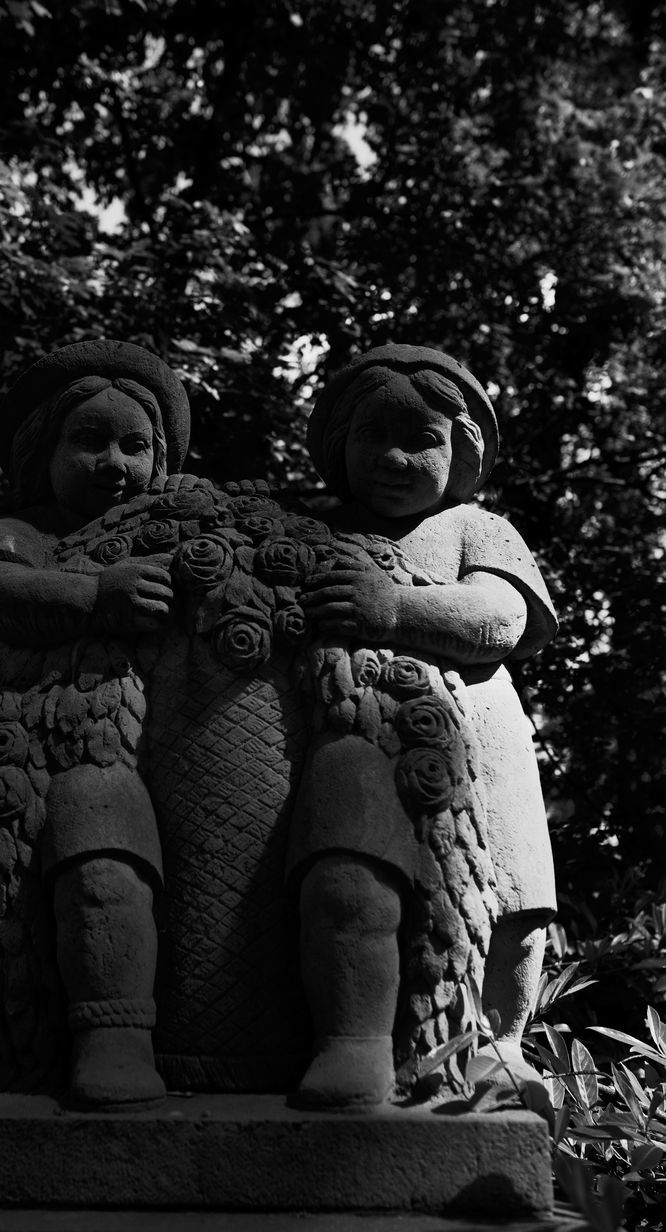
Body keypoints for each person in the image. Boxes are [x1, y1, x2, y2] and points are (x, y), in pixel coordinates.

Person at [0, 340, 190, 1108]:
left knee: (106, 866)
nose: (114, 463)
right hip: (13, 752)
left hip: (124, 754)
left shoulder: (169, 537)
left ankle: (116, 1034)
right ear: (45, 450)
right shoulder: (14, 531)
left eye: (135, 446)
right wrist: (96, 595)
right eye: (90, 441)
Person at [293, 343, 557, 1108]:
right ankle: (353, 1035)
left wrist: (396, 608)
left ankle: (500, 1044)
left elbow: (501, 616)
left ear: (463, 452)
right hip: (355, 733)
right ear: (339, 445)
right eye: (374, 435)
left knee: (513, 889)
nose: (396, 457)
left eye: (423, 440)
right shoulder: (315, 529)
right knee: (349, 869)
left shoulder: (477, 527)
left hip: (479, 732)